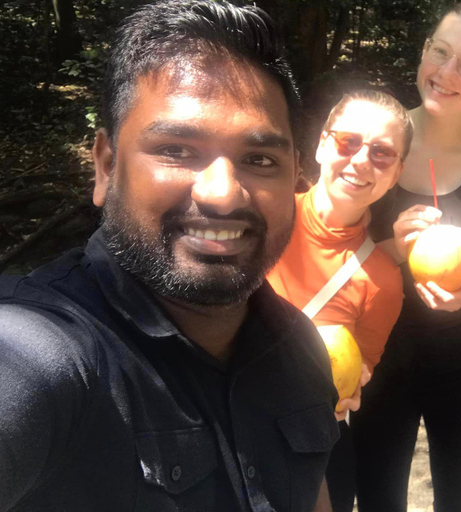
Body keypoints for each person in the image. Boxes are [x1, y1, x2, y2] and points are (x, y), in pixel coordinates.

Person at [0, 2, 340, 511]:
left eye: (259, 159)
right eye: (177, 149)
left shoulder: (301, 345)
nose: (223, 194)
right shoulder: (44, 353)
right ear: (107, 165)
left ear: (294, 176)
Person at [351, 3, 461, 511]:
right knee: (378, 501)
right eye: (441, 51)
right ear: (424, 49)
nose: (446, 73)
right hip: (376, 358)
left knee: (458, 501)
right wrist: (391, 248)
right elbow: (329, 250)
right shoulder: (374, 142)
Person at [267, 90, 410, 512]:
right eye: (348, 141)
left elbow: (353, 375)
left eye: (382, 153)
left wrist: (346, 394)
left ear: (397, 172)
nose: (362, 160)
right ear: (320, 145)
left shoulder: (383, 279)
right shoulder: (261, 222)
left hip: (308, 448)